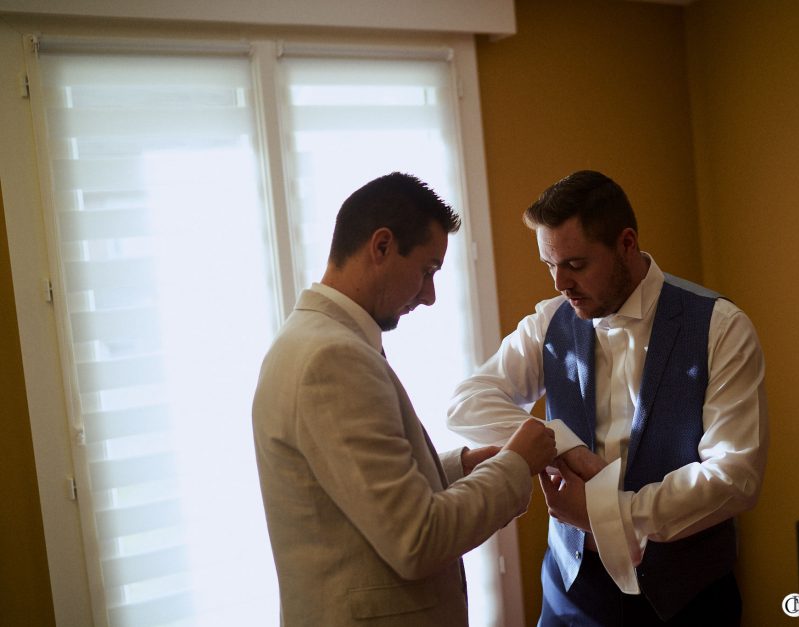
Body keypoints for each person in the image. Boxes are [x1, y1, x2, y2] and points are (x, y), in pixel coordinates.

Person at [447, 170, 768, 626]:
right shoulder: (549, 323)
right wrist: (561, 444)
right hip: (572, 596)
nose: (559, 283)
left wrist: (610, 513)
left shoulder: (721, 327)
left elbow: (735, 475)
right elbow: (467, 402)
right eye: (549, 265)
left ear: (626, 244)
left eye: (575, 265)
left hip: (688, 599)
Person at [252, 172, 557, 627]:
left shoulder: (309, 339)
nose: (430, 296)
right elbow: (418, 540)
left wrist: (461, 466)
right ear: (381, 247)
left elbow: (352, 485)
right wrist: (515, 464)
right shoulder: (332, 359)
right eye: (427, 270)